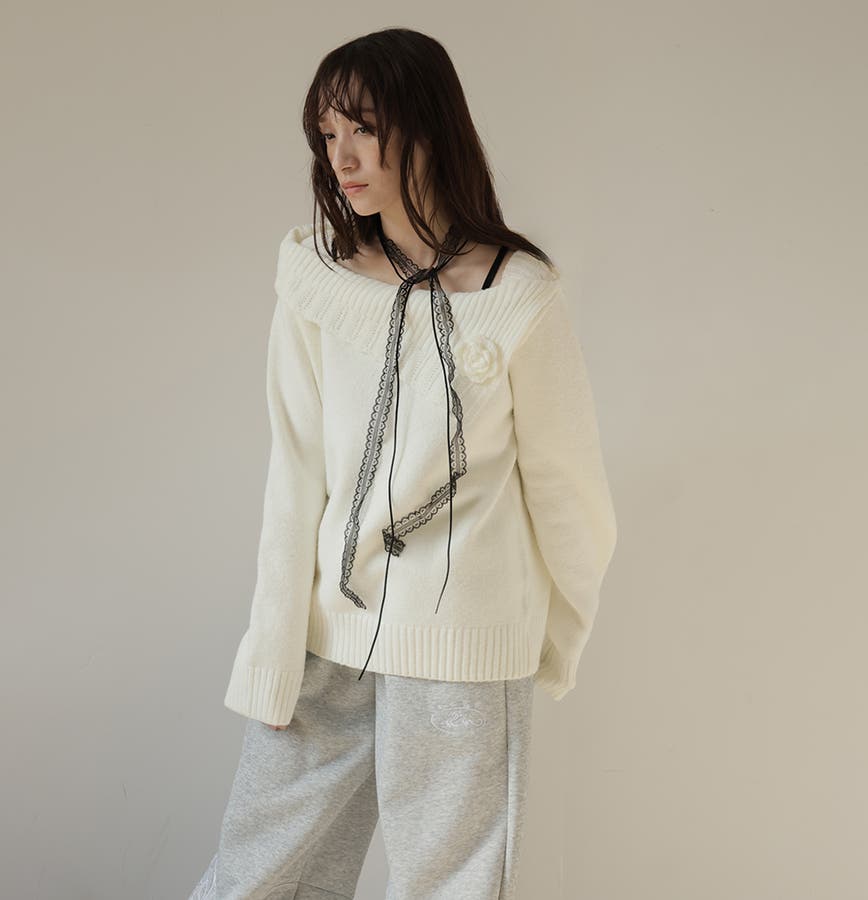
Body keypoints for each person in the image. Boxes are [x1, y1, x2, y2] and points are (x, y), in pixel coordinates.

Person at [189, 26, 618, 900]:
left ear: (426, 125)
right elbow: (294, 477)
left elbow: (568, 491)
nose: (341, 156)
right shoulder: (316, 281)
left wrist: (555, 636)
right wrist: (271, 650)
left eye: (364, 128)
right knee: (258, 875)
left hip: (466, 647)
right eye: (327, 133)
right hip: (326, 636)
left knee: (448, 883)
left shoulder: (519, 298)